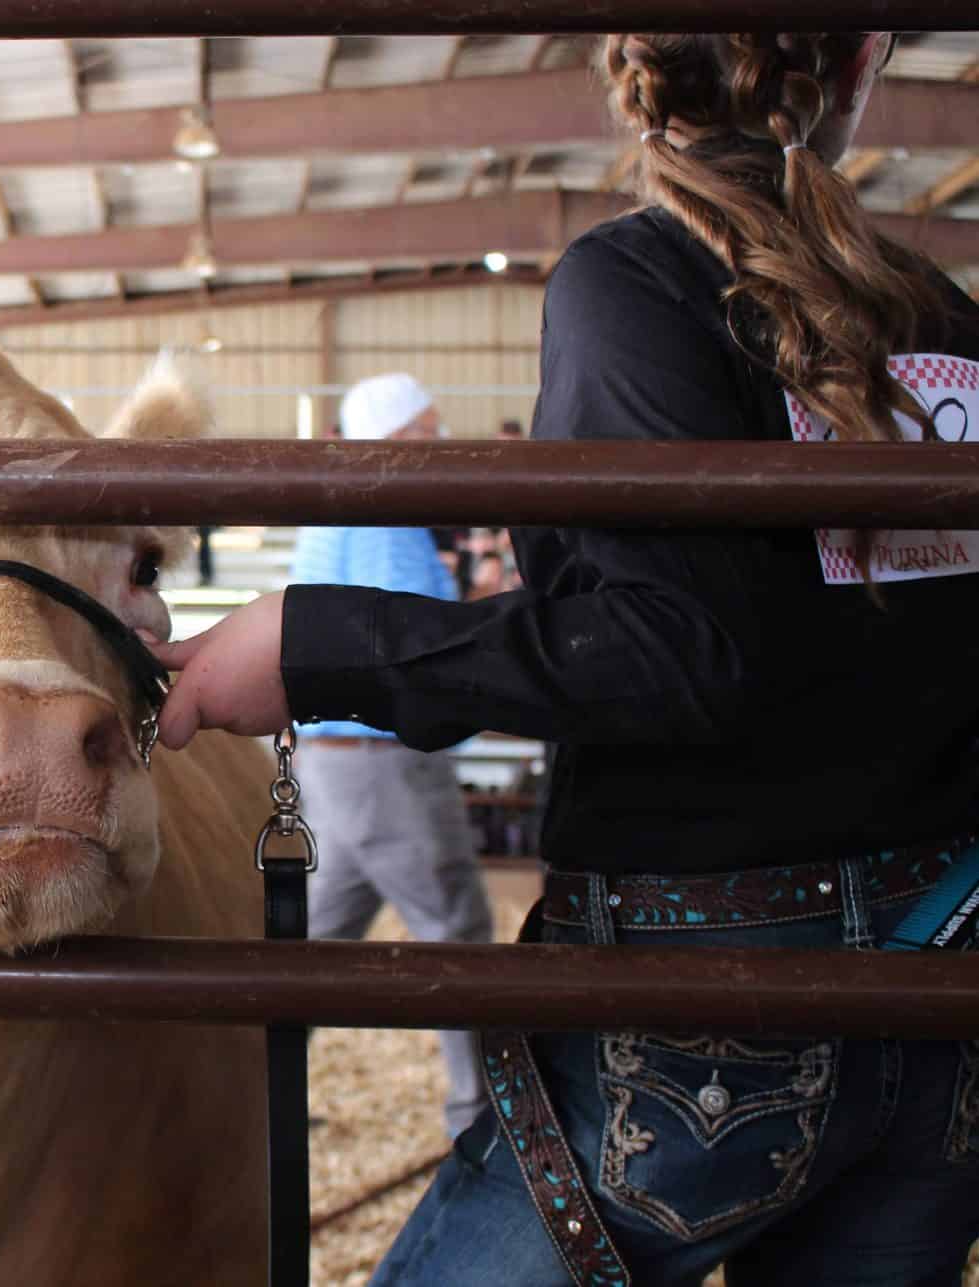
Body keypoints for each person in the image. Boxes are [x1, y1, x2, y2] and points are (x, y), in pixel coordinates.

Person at [147, 30, 979, 1285]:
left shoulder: (634, 282)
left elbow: (671, 647)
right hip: (942, 992)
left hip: (706, 1007)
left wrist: (311, 644)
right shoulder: (943, 318)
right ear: (861, 61)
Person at [288, 374, 494, 1142]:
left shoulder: (348, 507)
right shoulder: (380, 519)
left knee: (316, 938)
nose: (438, 447)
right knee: (455, 926)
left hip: (337, 756)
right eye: (425, 431)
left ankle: (248, 1089)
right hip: (384, 758)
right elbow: (416, 640)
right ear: (393, 438)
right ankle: (482, 1118)